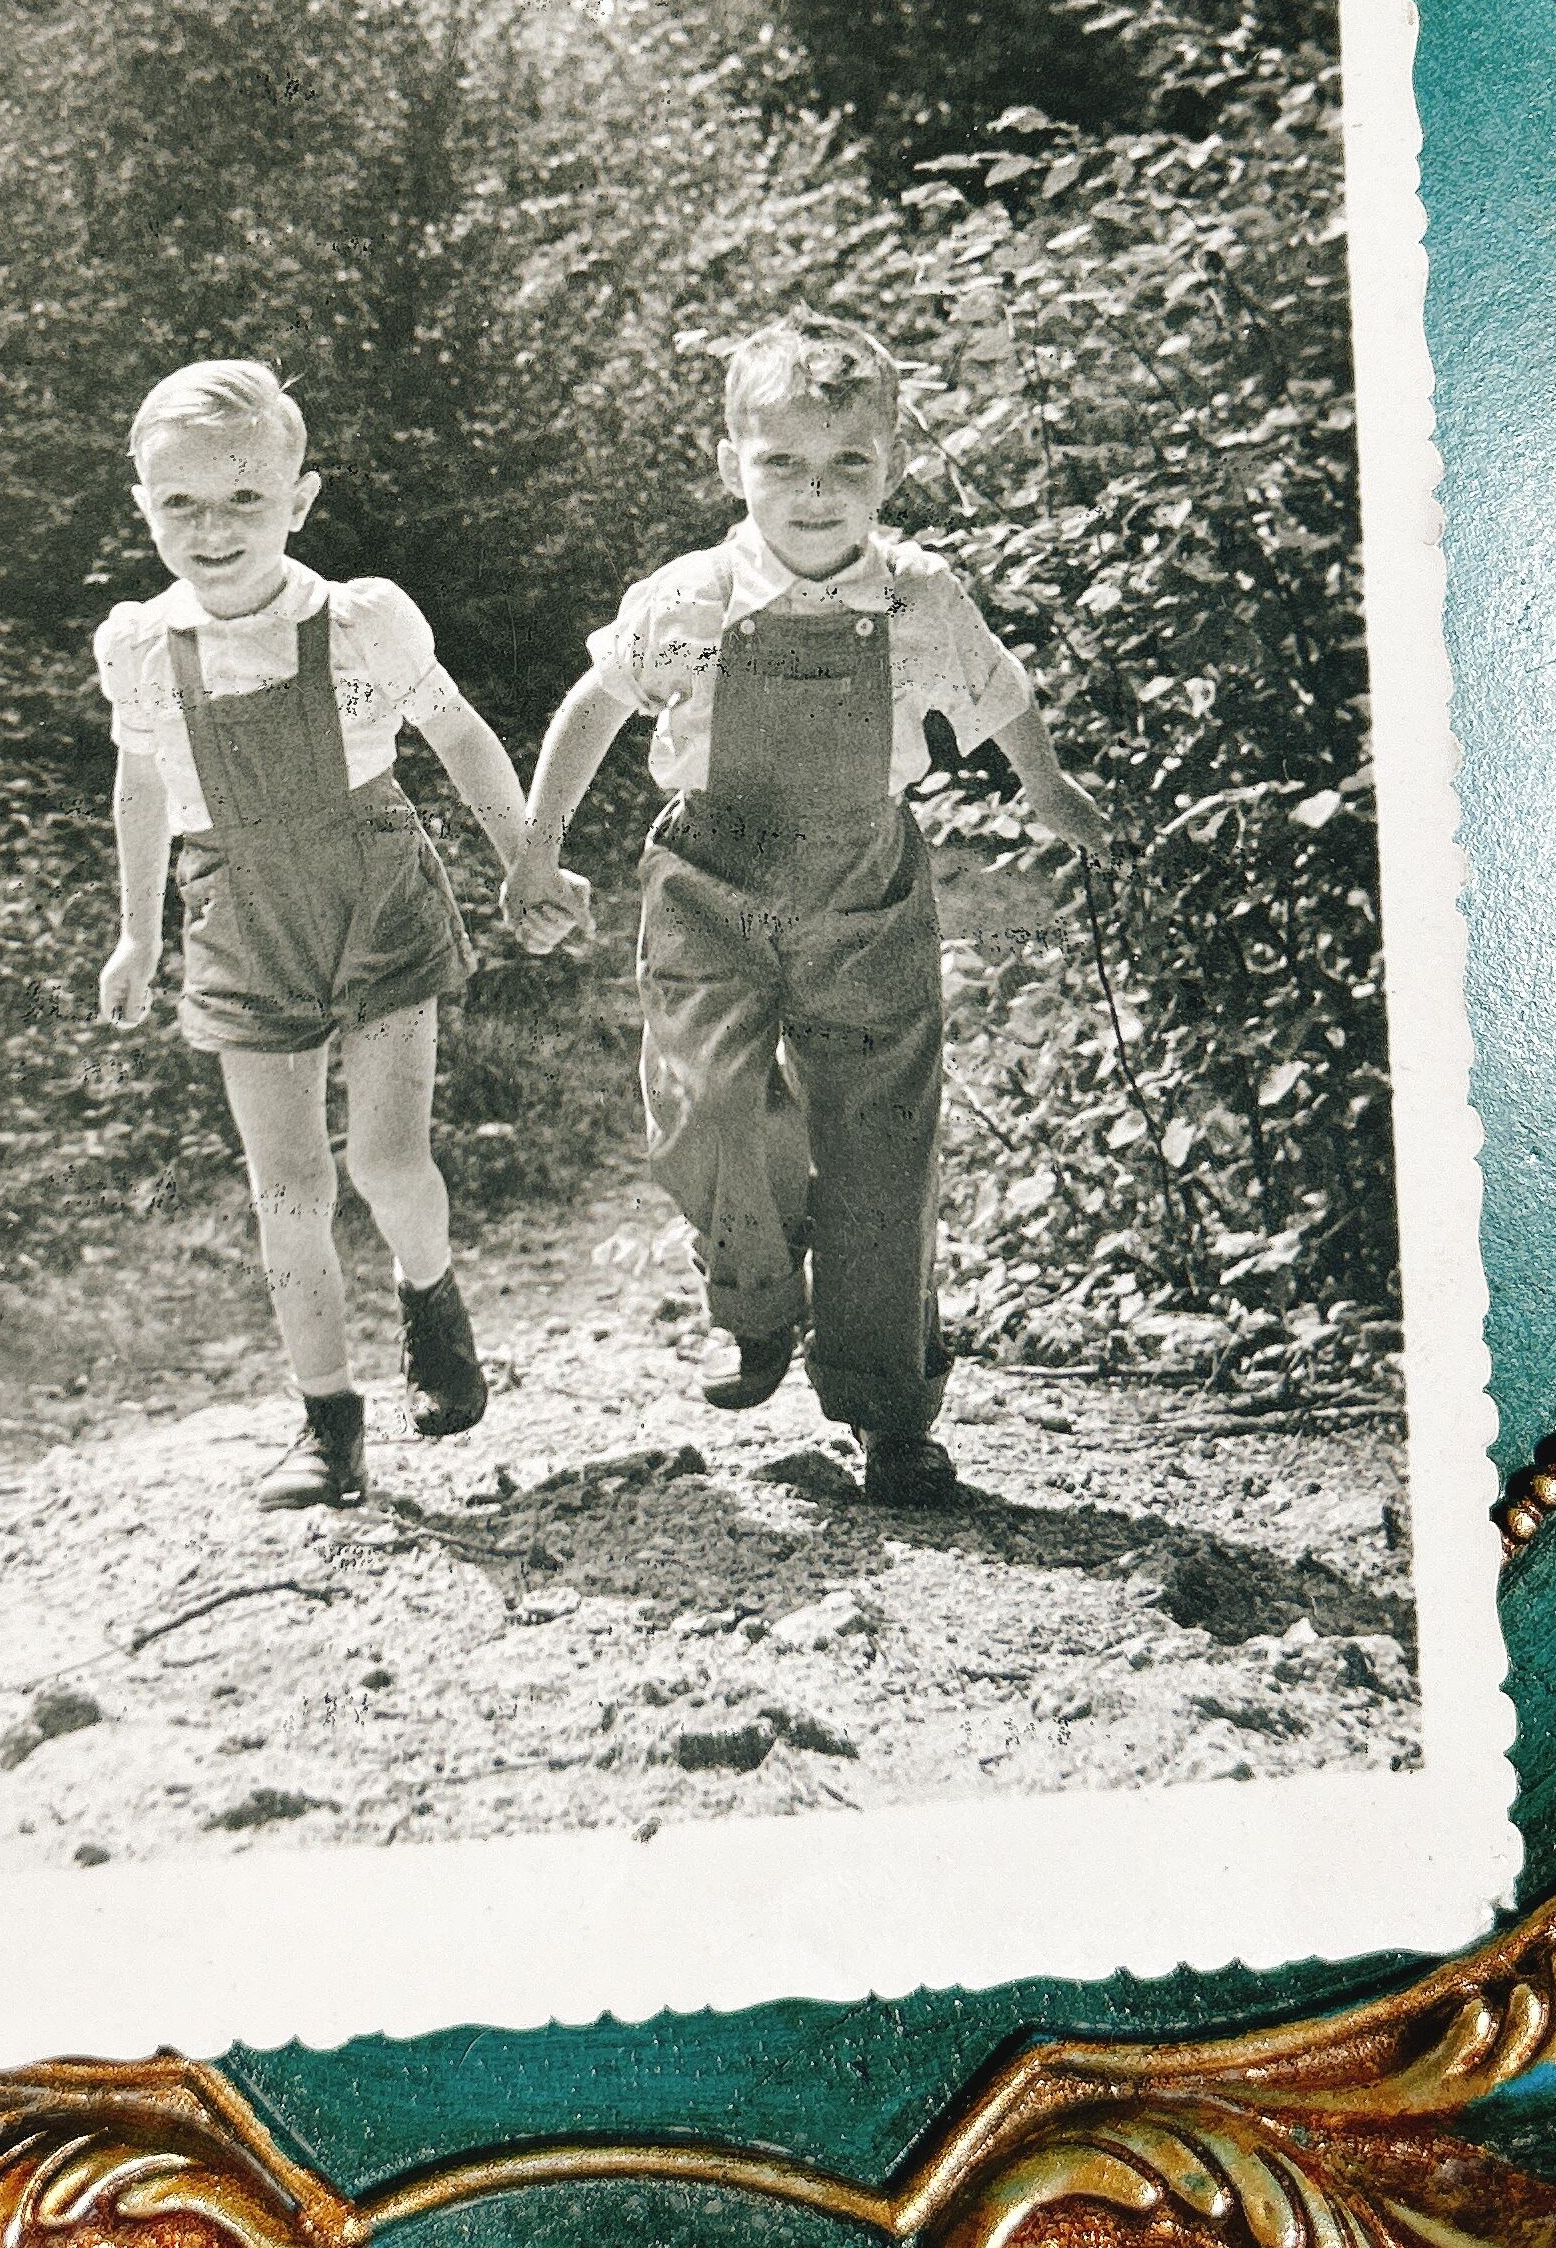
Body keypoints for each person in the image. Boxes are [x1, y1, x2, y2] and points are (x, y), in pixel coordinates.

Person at [501, 312, 1109, 1508]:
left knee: (883, 1144)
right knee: (709, 1103)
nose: (816, 492)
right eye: (783, 461)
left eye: (848, 462)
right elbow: (593, 706)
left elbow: (998, 690)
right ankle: (759, 1296)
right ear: (732, 464)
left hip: (862, 886)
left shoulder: (919, 596)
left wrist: (1045, 787)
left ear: (893, 466)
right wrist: (537, 851)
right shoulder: (691, 598)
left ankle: (890, 1412)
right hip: (709, 883)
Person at [95, 361, 576, 1509]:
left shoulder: (360, 624)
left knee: (387, 1162)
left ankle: (431, 1295)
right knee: (289, 1188)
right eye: (181, 504)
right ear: (144, 508)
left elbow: (459, 735)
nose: (213, 530)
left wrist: (526, 858)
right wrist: (136, 937)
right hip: (242, 921)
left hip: (375, 900)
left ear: (299, 501)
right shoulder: (142, 647)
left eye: (245, 499)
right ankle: (328, 1424)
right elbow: (141, 788)